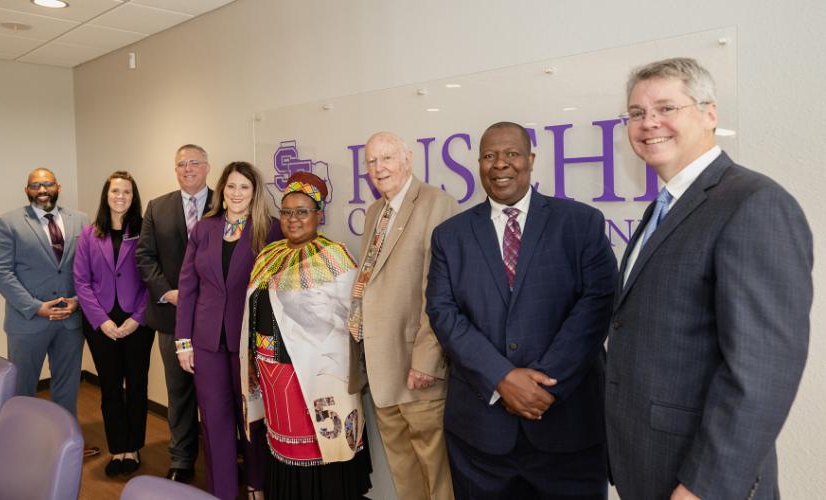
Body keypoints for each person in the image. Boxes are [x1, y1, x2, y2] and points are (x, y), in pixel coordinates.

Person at [605, 57, 813, 500]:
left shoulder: (755, 204)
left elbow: (761, 374)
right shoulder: (665, 207)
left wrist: (704, 488)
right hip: (651, 464)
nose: (649, 123)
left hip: (701, 481)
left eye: (665, 108)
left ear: (709, 113)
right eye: (637, 113)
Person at [426, 122, 617, 499]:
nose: (501, 165)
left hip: (568, 428)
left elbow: (598, 303)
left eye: (511, 154)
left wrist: (546, 383)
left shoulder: (580, 223)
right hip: (481, 439)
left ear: (530, 160)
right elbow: (443, 313)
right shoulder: (450, 236)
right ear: (478, 164)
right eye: (489, 156)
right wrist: (502, 378)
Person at [243, 172, 372, 499]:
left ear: (319, 215)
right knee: (284, 446)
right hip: (274, 372)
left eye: (302, 211)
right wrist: (249, 359)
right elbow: (253, 310)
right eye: (286, 212)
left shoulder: (334, 257)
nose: (293, 219)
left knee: (321, 445)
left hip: (319, 375)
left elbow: (351, 319)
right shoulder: (268, 255)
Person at [347, 132, 458, 500]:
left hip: (417, 369)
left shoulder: (435, 203)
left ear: (407, 159)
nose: (379, 169)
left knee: (438, 475)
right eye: (372, 162)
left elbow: (441, 291)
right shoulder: (377, 210)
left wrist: (427, 360)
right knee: (403, 472)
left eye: (387, 159)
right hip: (382, 368)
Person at [174, 161, 283, 500]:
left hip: (249, 340)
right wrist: (183, 342)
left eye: (244, 188)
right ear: (221, 190)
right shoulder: (204, 230)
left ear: (255, 193)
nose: (237, 194)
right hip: (206, 341)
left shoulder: (270, 229)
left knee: (251, 416)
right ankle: (220, 490)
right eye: (231, 187)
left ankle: (256, 481)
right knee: (215, 419)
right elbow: (187, 287)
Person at [0, 168, 99, 457]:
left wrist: (76, 301)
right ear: (27, 190)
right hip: (27, 322)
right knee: (23, 386)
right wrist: (35, 307)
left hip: (70, 321)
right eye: (35, 185)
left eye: (47, 183)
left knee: (67, 386)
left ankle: (65, 446)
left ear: (58, 186)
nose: (42, 189)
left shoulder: (81, 220)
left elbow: (89, 268)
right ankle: (23, 447)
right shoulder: (8, 223)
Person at [136, 144, 212, 482]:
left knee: (216, 394)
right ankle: (181, 459)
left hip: (215, 320)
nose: (187, 169)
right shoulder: (158, 207)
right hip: (171, 319)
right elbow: (144, 256)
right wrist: (167, 292)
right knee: (178, 392)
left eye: (194, 162)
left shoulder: (225, 202)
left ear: (207, 167)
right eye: (181, 164)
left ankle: (219, 457)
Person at [73, 171, 153, 476]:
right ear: (106, 196)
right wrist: (101, 320)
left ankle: (134, 447)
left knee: (136, 386)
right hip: (100, 323)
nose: (120, 197)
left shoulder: (145, 232)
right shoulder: (89, 234)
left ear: (134, 198)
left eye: (127, 192)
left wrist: (137, 319)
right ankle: (118, 448)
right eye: (115, 191)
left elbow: (151, 280)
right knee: (109, 387)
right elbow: (81, 281)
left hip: (137, 322)